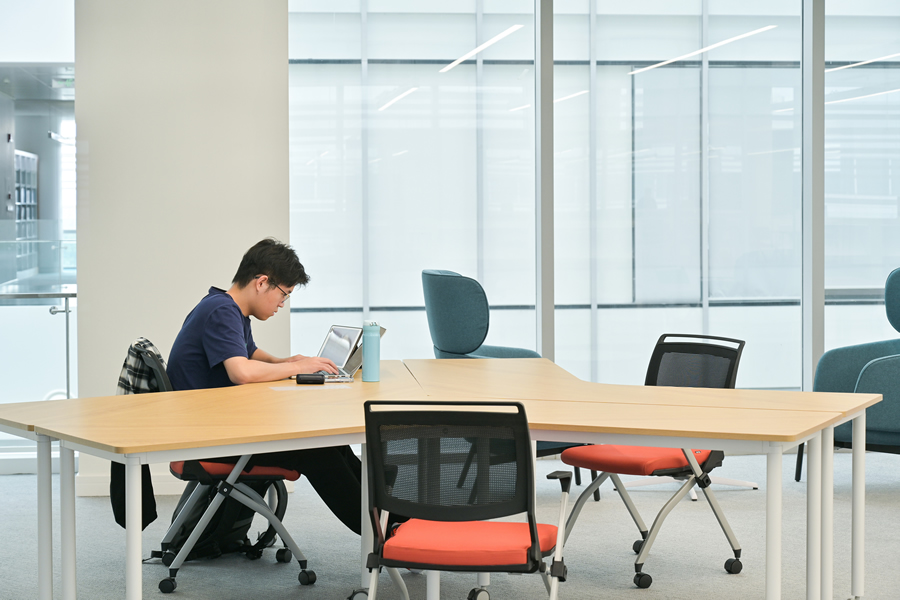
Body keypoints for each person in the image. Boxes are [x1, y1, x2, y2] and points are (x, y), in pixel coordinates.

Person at [166, 237, 362, 535]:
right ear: (261, 283)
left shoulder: (226, 307)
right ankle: (377, 528)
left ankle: (387, 514)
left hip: (215, 428)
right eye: (284, 294)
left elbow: (250, 354)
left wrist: (288, 361)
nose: (282, 304)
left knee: (331, 442)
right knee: (317, 450)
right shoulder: (222, 311)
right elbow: (241, 371)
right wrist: (297, 368)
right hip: (209, 439)